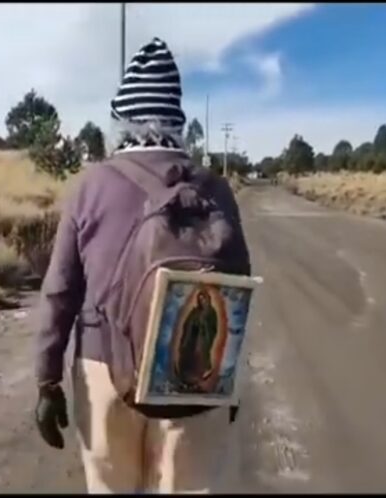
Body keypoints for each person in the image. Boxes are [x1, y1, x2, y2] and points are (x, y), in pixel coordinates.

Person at [33, 37, 251, 493]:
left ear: (121, 121)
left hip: (104, 367)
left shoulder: (91, 186)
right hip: (192, 374)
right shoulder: (215, 188)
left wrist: (47, 381)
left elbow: (60, 293)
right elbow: (236, 290)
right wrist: (226, 376)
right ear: (177, 120)